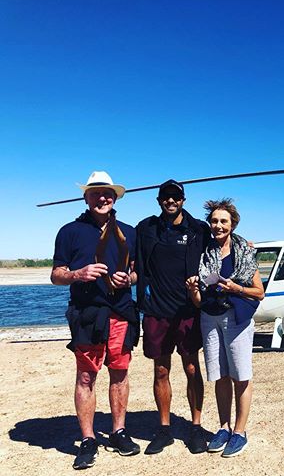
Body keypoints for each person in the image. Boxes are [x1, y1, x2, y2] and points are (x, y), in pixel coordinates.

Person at [51, 171, 140, 470]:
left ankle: (118, 431)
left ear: (115, 198)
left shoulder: (129, 231)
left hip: (121, 312)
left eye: (108, 194)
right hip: (87, 314)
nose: (103, 198)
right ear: (86, 197)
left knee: (120, 373)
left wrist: (128, 278)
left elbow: (137, 272)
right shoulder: (70, 231)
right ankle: (88, 439)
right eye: (96, 193)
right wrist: (78, 274)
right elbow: (56, 275)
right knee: (87, 376)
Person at [135, 179, 210, 454]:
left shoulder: (198, 230)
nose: (170, 201)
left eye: (175, 197)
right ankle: (164, 429)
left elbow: (221, 246)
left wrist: (244, 245)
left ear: (183, 200)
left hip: (188, 311)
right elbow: (128, 256)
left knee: (192, 368)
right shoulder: (146, 229)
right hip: (157, 311)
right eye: (165, 197)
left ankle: (196, 426)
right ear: (158, 201)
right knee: (161, 370)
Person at [185, 198, 264, 458]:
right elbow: (199, 302)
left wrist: (236, 288)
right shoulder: (205, 252)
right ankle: (223, 427)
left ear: (232, 224)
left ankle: (239, 432)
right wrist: (194, 291)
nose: (218, 225)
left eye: (223, 221)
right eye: (214, 221)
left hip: (237, 318)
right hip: (210, 317)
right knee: (219, 375)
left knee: (241, 375)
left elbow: (259, 293)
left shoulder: (244, 251)